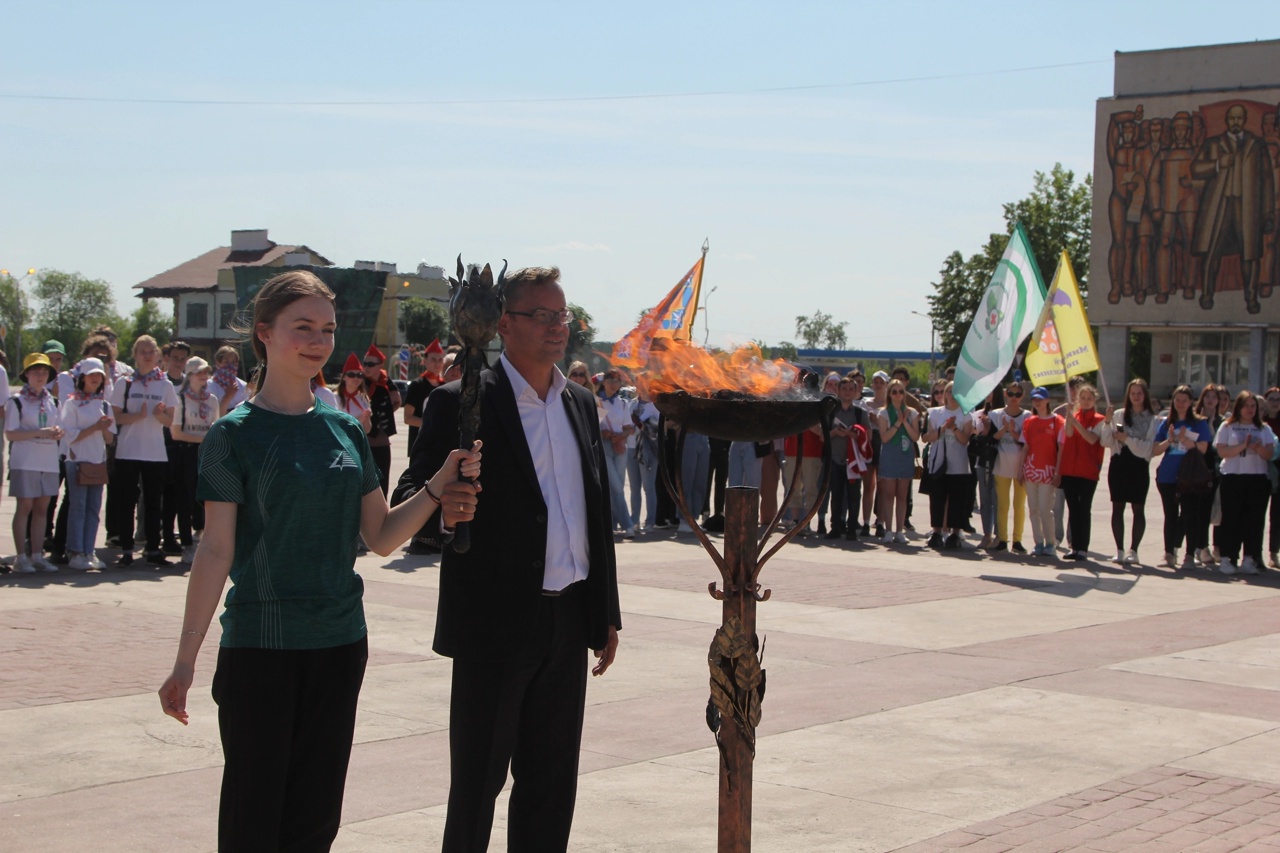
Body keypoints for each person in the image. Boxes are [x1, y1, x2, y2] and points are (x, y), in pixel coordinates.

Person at [157, 270, 481, 853]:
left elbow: (380, 537)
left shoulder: (344, 433)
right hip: (260, 647)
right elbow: (215, 549)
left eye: (327, 329)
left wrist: (436, 485)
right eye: (302, 327)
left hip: (338, 644)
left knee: (314, 817)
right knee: (254, 817)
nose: (318, 341)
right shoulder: (232, 436)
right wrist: (185, 660)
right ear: (264, 332)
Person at [392, 264, 620, 853]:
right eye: (540, 316)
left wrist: (605, 612)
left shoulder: (580, 405)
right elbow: (409, 499)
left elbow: (594, 514)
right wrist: (446, 507)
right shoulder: (460, 402)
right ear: (502, 324)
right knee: (477, 788)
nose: (555, 327)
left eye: (561, 316)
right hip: (494, 623)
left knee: (550, 787)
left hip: (567, 621)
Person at [109, 336, 179, 567]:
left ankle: (152, 549)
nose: (147, 356)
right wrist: (136, 416)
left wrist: (160, 416)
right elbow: (115, 417)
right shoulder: (125, 383)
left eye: (151, 351)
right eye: (143, 352)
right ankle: (127, 548)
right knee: (126, 502)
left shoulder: (165, 384)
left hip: (155, 452)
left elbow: (170, 421)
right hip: (128, 451)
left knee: (153, 502)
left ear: (158, 355)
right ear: (135, 355)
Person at [5, 353, 65, 573]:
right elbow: (11, 433)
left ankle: (37, 555)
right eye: (36, 372)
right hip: (26, 459)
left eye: (44, 372)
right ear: (27, 374)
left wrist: (57, 433)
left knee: (42, 507)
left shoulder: (53, 401)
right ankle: (21, 557)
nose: (40, 376)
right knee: (25, 506)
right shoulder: (17, 401)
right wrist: (38, 432)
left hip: (48, 459)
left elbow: (57, 427)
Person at [60, 357, 115, 571]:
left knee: (93, 509)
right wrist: (96, 426)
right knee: (78, 507)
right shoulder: (71, 403)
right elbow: (70, 436)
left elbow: (110, 439)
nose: (95, 379)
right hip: (77, 460)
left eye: (98, 375)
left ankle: (89, 550)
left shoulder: (104, 404)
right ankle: (75, 551)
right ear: (82, 377)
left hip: (97, 461)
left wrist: (104, 428)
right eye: (91, 374)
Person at [1214, 390, 1276, 575]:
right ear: (1238, 407)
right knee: (1231, 519)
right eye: (1246, 405)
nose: (1249, 409)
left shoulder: (1264, 429)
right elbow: (1222, 452)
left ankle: (1249, 558)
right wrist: (1243, 445)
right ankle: (1227, 558)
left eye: (1253, 406)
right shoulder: (1227, 426)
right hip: (1233, 477)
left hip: (1257, 478)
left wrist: (1257, 447)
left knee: (1254, 521)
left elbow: (1269, 454)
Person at [1153, 385, 1214, 569]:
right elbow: (1155, 450)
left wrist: (1185, 439)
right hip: (1168, 475)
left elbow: (1203, 448)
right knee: (1170, 515)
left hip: (1191, 475)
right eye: (1177, 400)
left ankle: (1189, 554)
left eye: (1184, 400)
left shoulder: (1199, 422)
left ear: (1191, 403)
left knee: (1190, 515)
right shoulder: (1166, 423)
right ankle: (1169, 553)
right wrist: (1171, 439)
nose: (1180, 404)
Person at [1101, 379, 1159, 564]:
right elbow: (1107, 441)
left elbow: (1147, 448)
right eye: (1132, 393)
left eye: (1139, 393)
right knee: (1117, 507)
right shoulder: (1119, 415)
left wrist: (1128, 439)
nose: (1136, 396)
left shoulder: (1152, 418)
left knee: (1138, 508)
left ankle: (1134, 550)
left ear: (1145, 395)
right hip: (1119, 464)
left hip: (1139, 466)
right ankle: (1119, 549)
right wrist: (1107, 422)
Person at [171, 357, 221, 564]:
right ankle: (186, 544)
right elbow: (176, 433)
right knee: (185, 497)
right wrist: (202, 438)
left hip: (206, 454)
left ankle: (201, 536)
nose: (204, 376)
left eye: (206, 372)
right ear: (189, 376)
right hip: (187, 451)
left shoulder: (212, 400)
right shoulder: (180, 399)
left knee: (204, 497)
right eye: (199, 372)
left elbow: (216, 425)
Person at [1057, 384, 1107, 561]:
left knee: (1084, 509)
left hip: (1088, 471)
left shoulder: (1099, 419)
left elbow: (1091, 439)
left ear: (1094, 401)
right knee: (1073, 508)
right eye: (1082, 398)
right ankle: (1074, 547)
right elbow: (1069, 434)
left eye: (1089, 398)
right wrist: (1069, 419)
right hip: (1070, 469)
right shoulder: (1073, 416)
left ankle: (1083, 547)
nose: (1085, 401)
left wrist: (1075, 422)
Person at [922, 381, 972, 550]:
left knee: (957, 499)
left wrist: (954, 428)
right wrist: (942, 429)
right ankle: (936, 531)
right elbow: (927, 438)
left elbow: (965, 440)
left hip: (958, 464)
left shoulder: (966, 414)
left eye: (955, 391)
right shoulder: (935, 413)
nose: (951, 395)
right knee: (937, 498)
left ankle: (955, 533)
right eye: (949, 391)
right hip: (938, 462)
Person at [1019, 387, 1064, 558]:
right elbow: (1026, 447)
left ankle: (1050, 542)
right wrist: (1020, 469)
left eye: (1040, 399)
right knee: (1033, 508)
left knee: (1046, 509)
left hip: (1048, 471)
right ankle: (1038, 542)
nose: (1037, 402)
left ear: (1047, 400)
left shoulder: (1057, 421)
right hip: (1031, 470)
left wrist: (1058, 471)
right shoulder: (1030, 421)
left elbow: (1061, 448)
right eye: (1034, 399)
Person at [876, 378, 919, 544]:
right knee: (888, 495)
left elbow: (915, 436)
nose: (898, 395)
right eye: (894, 391)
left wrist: (905, 422)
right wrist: (897, 423)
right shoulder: (884, 413)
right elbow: (884, 437)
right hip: (889, 455)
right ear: (889, 394)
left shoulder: (912, 413)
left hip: (905, 455)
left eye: (901, 391)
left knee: (902, 495)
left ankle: (900, 530)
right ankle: (888, 530)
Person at [988, 381, 1029, 553]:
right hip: (1001, 465)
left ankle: (1017, 540)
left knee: (1019, 505)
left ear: (1022, 396)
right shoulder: (996, 414)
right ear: (1005, 394)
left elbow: (1026, 441)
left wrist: (1012, 431)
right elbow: (991, 439)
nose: (1014, 398)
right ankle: (1002, 538)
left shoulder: (1027, 416)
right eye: (1011, 394)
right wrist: (1004, 429)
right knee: (1003, 504)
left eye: (1017, 394)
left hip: (1020, 466)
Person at [827, 376, 868, 540]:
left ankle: (852, 529)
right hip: (835, 459)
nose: (847, 392)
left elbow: (868, 437)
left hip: (854, 462)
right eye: (844, 389)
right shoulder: (830, 411)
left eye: (851, 389)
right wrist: (835, 433)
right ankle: (835, 528)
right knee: (835, 495)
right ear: (838, 390)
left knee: (853, 496)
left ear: (856, 391)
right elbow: (823, 437)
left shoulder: (860, 413)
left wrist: (852, 434)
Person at [597, 368, 636, 538]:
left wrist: (621, 436)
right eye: (610, 381)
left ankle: (611, 524)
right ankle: (628, 525)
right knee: (616, 488)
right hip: (605, 447)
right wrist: (608, 435)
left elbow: (629, 427)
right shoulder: (598, 402)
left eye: (617, 381)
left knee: (617, 486)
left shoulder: (623, 403)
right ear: (603, 382)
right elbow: (595, 429)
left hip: (620, 448)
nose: (614, 384)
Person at [1194, 384, 1228, 565]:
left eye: (1215, 397)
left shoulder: (1222, 422)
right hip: (1195, 469)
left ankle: (1211, 547)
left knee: (1212, 509)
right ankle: (1199, 547)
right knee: (1197, 511)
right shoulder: (1196, 419)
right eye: (1208, 396)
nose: (1211, 400)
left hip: (1215, 471)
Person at [362, 344, 401, 496]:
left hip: (383, 440)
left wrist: (387, 414)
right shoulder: (361, 382)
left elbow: (397, 400)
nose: (366, 367)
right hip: (365, 439)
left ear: (380, 365)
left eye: (370, 364)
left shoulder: (386, 381)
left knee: (383, 481)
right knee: (365, 482)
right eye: (365, 363)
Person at [403, 338, 445, 455]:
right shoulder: (417, 385)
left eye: (440, 360)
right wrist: (431, 424)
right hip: (419, 443)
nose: (437, 363)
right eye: (433, 359)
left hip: (440, 444)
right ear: (425, 361)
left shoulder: (445, 385)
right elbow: (408, 418)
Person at [336, 353, 373, 432]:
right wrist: (358, 420)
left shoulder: (364, 398)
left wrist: (366, 419)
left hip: (358, 442)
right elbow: (335, 427)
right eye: (351, 374)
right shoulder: (335, 398)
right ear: (344, 377)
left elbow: (367, 430)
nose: (356, 378)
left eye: (359, 375)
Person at [1264, 386, 1280, 568]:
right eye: (1272, 399)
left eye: (1278, 399)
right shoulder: (1261, 422)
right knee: (1256, 513)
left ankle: (1274, 552)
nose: (1275, 403)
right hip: (1260, 468)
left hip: (1278, 470)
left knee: (1277, 515)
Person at [210, 345, 249, 411]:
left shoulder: (243, 386)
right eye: (226, 362)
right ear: (218, 363)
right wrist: (228, 396)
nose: (230, 366)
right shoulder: (209, 385)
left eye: (234, 362)